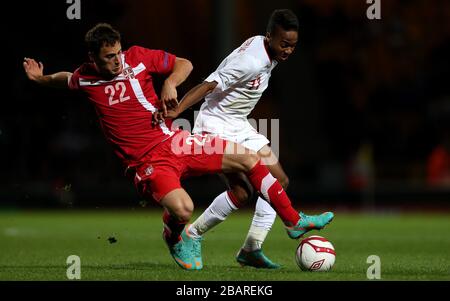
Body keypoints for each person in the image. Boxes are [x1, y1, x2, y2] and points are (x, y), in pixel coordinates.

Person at [23, 23, 334, 271]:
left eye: (118, 53)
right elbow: (65, 79)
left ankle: (292, 220)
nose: (117, 61)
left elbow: (183, 64)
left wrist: (170, 82)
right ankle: (174, 237)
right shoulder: (86, 78)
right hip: (146, 162)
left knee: (250, 159)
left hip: (174, 140)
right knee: (183, 208)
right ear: (93, 59)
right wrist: (41, 79)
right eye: (108, 57)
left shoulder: (137, 57)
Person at [154, 9, 305, 269]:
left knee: (278, 179)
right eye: (284, 44)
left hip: (238, 123)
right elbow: (210, 83)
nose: (288, 50)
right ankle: (193, 234)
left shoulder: (269, 48)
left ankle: (251, 247)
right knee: (242, 191)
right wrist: (179, 109)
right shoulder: (251, 61)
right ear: (269, 37)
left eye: (292, 45)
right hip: (216, 124)